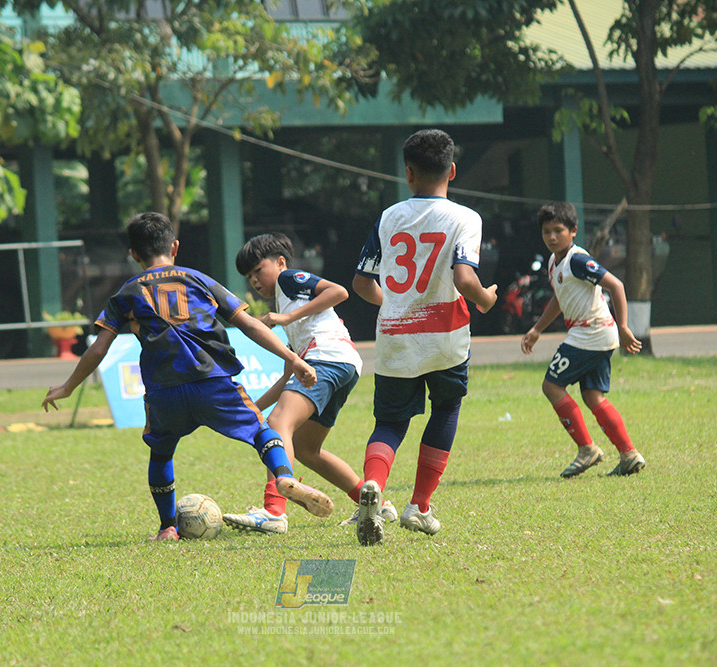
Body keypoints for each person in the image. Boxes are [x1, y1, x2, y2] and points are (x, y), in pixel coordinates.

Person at [41, 212, 334, 541]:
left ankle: (168, 527)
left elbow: (97, 350)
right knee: (262, 433)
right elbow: (249, 324)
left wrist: (67, 386)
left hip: (164, 391)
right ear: (175, 247)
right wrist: (292, 358)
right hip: (213, 381)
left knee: (161, 452)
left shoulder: (126, 293)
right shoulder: (199, 279)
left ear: (134, 254)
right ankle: (282, 476)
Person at [351, 128, 498, 546]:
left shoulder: (388, 217)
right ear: (452, 170)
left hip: (396, 338)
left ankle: (375, 486)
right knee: (446, 407)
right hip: (447, 337)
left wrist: (397, 307)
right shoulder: (466, 218)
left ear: (409, 173)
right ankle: (419, 506)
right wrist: (485, 300)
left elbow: (362, 283)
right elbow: (465, 277)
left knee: (391, 422)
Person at [221, 233, 398, 535]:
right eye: (248, 276)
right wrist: (249, 406)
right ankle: (374, 506)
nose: (253, 280)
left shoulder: (288, 279)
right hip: (342, 364)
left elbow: (339, 292)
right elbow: (290, 372)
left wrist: (286, 317)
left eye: (257, 270)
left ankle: (274, 511)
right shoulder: (285, 299)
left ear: (279, 262)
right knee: (305, 447)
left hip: (326, 358)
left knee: (278, 425)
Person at [520, 201, 646, 478]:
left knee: (551, 387)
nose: (552, 237)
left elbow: (616, 285)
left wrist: (624, 326)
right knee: (593, 397)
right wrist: (538, 329)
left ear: (573, 231)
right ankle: (629, 454)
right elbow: (560, 298)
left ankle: (587, 449)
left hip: (590, 332)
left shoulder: (578, 259)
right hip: (595, 334)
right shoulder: (556, 263)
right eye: (546, 232)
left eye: (558, 231)